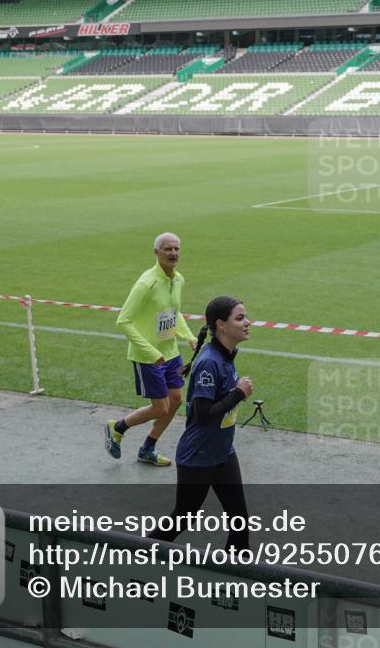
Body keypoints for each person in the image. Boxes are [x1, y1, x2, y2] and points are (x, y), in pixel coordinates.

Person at [148, 296, 253, 550]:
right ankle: (136, 557)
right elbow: (204, 412)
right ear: (221, 325)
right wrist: (238, 393)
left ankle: (233, 583)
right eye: (240, 318)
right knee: (182, 518)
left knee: (239, 520)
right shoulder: (209, 363)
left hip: (222, 452)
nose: (247, 322)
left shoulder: (225, 354)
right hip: (199, 455)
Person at [105, 233, 198, 466]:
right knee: (160, 407)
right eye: (168, 249)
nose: (173, 253)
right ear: (156, 252)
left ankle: (148, 448)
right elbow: (123, 321)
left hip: (171, 352)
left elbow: (173, 314)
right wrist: (150, 352)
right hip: (148, 356)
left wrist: (188, 336)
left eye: (176, 249)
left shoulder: (178, 280)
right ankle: (117, 428)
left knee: (175, 400)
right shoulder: (147, 283)